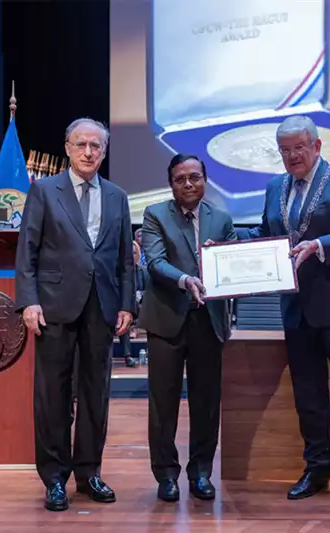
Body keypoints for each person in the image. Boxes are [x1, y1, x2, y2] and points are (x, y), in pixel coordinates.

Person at [237, 115, 330, 512]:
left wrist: (320, 245)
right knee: (308, 398)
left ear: (316, 146)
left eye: (299, 147)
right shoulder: (275, 186)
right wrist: (227, 244)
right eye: (285, 150)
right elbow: (268, 233)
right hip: (296, 308)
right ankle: (316, 470)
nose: (292, 155)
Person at [15, 118, 135, 511]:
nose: (88, 152)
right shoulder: (45, 191)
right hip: (53, 308)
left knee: (95, 395)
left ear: (104, 151)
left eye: (95, 146)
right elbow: (27, 253)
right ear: (67, 148)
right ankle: (54, 478)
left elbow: (123, 260)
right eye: (81, 144)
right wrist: (28, 301)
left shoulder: (117, 196)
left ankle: (89, 473)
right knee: (52, 396)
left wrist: (127, 304)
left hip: (101, 308)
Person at [137, 154, 237, 502]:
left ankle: (201, 473)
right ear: (171, 183)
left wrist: (222, 257)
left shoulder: (221, 218)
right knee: (163, 404)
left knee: (206, 403)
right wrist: (185, 279)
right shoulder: (155, 215)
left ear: (205, 179)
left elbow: (232, 261)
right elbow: (155, 261)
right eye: (180, 179)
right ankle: (166, 475)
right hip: (167, 318)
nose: (188, 184)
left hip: (208, 321)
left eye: (195, 177)